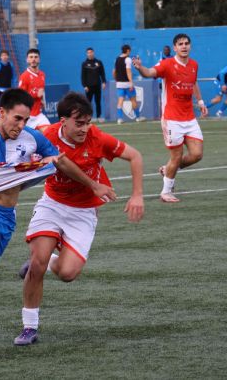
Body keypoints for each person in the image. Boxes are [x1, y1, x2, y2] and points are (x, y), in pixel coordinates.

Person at [0, 89, 115, 351]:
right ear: (1, 113)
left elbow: (59, 161)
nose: (21, 125)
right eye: (17, 119)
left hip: (6, 217)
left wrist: (92, 184)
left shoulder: (32, 138)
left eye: (26, 120)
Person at [13, 92, 144, 346]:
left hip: (83, 212)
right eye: (79, 123)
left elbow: (135, 156)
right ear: (63, 121)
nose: (85, 129)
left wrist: (137, 195)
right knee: (37, 261)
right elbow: (37, 160)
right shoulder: (45, 136)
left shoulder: (98, 139)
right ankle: (29, 326)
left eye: (88, 122)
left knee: (68, 273)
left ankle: (52, 262)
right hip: (52, 204)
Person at [132, 33, 207, 203]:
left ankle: (168, 169)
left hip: (189, 117)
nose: (184, 46)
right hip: (172, 118)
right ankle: (165, 192)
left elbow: (194, 83)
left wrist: (201, 101)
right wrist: (140, 68)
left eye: (187, 43)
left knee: (197, 154)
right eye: (180, 44)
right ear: (175, 48)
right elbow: (150, 72)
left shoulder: (194, 65)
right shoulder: (167, 64)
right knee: (177, 156)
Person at [19, 48, 50, 132]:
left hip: (38, 115)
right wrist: (36, 95)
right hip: (27, 116)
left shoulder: (42, 74)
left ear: (39, 59)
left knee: (49, 133)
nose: (33, 59)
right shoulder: (24, 76)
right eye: (31, 57)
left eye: (36, 57)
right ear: (27, 60)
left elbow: (41, 91)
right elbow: (21, 97)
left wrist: (41, 101)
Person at [113, 44, 145, 124]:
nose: (130, 52)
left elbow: (114, 71)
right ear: (127, 50)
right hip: (127, 83)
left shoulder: (117, 59)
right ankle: (138, 117)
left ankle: (119, 119)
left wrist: (116, 80)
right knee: (133, 100)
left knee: (120, 100)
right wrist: (131, 83)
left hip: (119, 84)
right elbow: (128, 71)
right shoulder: (128, 59)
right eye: (129, 50)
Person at [81, 47, 106, 123]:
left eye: (91, 52)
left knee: (98, 101)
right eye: (88, 52)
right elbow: (83, 76)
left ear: (93, 53)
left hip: (97, 85)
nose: (90, 54)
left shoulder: (99, 62)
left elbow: (102, 73)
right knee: (88, 103)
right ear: (86, 54)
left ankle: (99, 116)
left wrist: (104, 82)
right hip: (88, 87)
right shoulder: (84, 64)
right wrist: (84, 86)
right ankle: (89, 117)